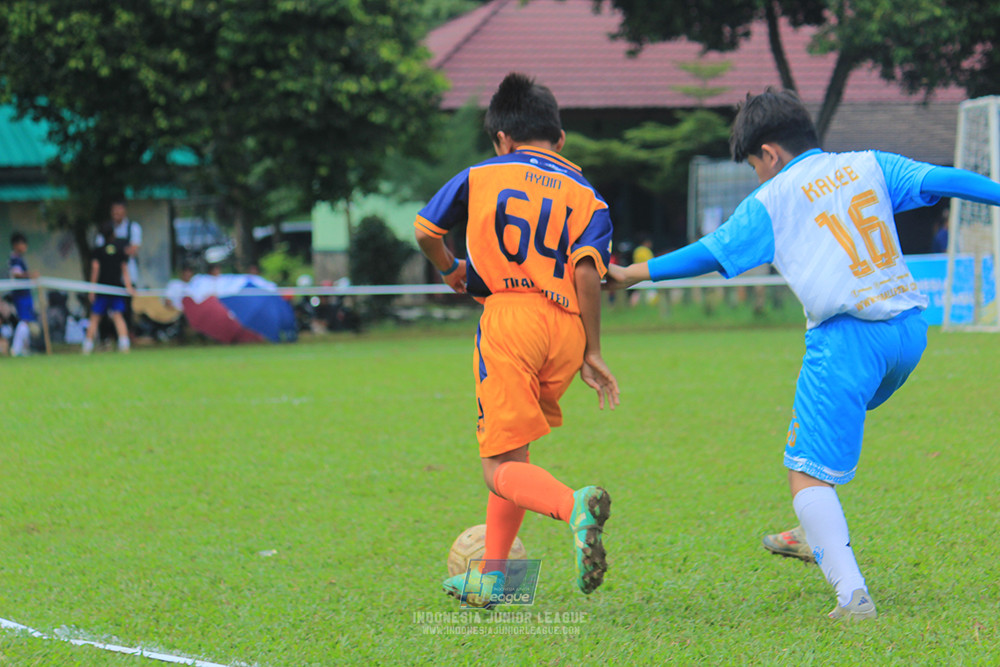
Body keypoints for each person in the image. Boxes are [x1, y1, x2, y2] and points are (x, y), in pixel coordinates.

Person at [606, 88, 1000, 621]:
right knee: (820, 442)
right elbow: (943, 179)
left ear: (769, 153)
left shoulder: (774, 197)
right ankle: (810, 530)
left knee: (806, 474)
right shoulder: (869, 164)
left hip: (847, 341)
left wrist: (633, 272)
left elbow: (711, 251)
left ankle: (852, 596)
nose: (757, 177)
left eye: (754, 165)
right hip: (908, 333)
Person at [415, 72, 620, 608]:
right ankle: (493, 578)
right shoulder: (589, 197)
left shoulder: (482, 174)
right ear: (560, 139)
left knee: (497, 467)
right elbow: (586, 272)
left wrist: (449, 270)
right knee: (513, 454)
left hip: (509, 317)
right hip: (567, 329)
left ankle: (570, 505)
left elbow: (425, 231)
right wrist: (592, 350)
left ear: (501, 138)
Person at [83, 221, 136, 354]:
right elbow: (125, 269)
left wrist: (92, 289)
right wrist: (129, 287)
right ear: (114, 234)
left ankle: (87, 347)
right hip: (116, 289)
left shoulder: (98, 251)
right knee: (118, 316)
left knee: (95, 318)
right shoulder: (120, 250)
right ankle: (124, 345)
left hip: (102, 289)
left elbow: (95, 269)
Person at [8, 232, 38, 356]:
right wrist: (30, 275)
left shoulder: (19, 258)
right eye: (22, 243)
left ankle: (24, 349)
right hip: (21, 295)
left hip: (26, 294)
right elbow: (16, 274)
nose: (25, 246)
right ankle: (16, 349)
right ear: (16, 245)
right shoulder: (15, 258)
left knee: (27, 321)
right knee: (24, 320)